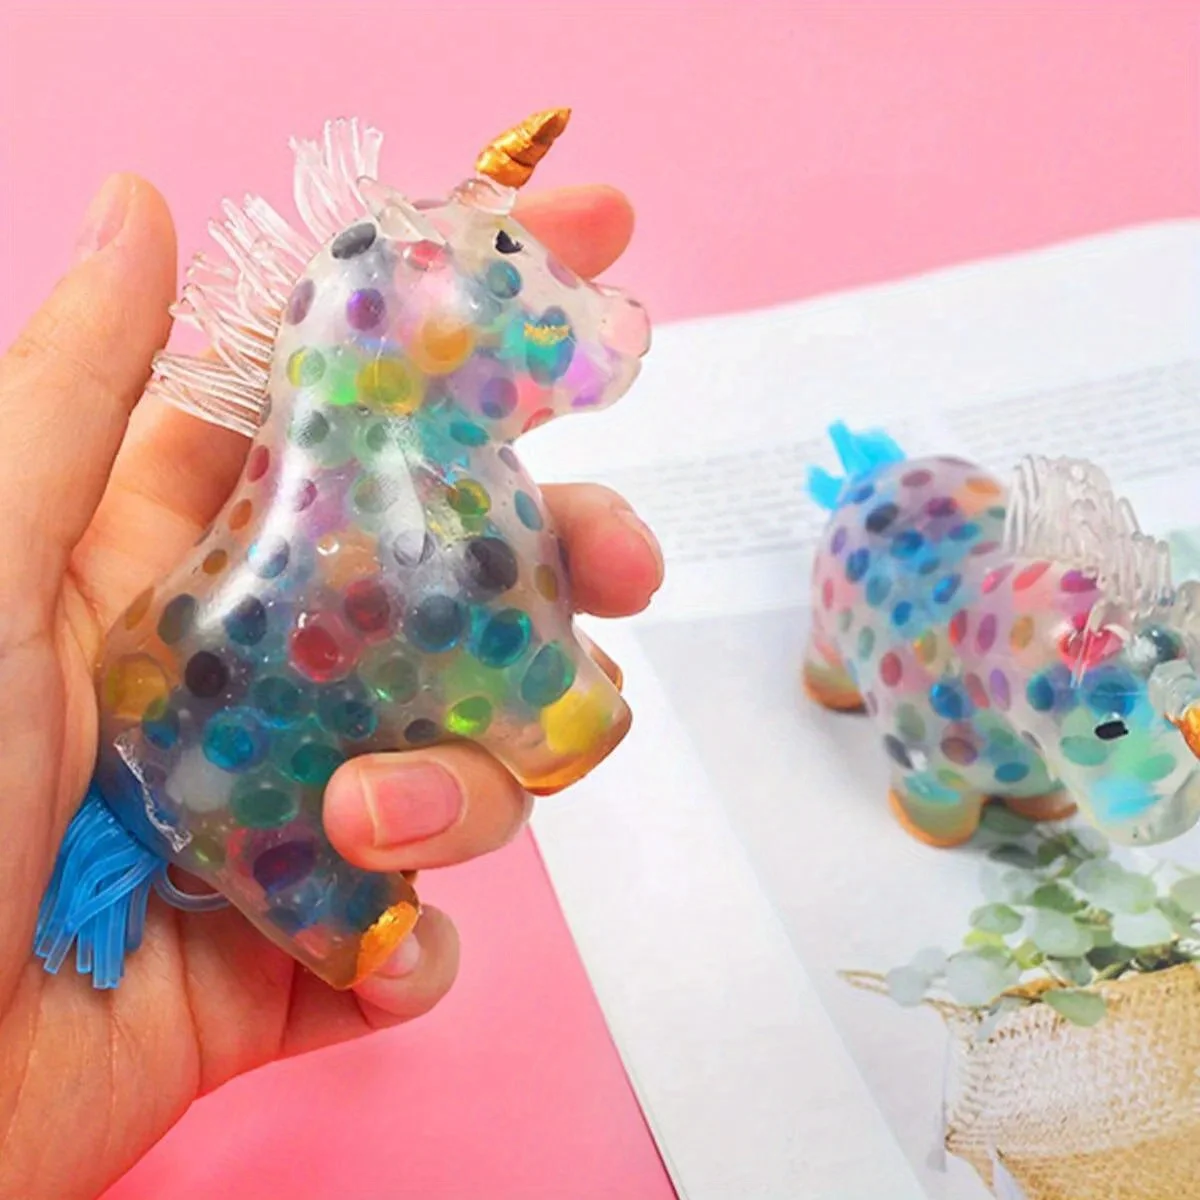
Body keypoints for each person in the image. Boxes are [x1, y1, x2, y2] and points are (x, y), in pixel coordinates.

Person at [0, 173, 661, 1199]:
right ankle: (320, 896)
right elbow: (483, 635)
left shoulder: (437, 484)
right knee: (331, 842)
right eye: (521, 297)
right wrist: (561, 705)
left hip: (163, 700)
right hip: (183, 733)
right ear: (424, 299)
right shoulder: (437, 517)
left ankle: (323, 893)